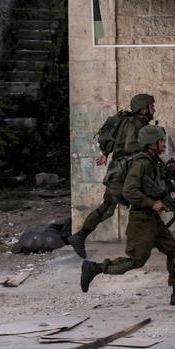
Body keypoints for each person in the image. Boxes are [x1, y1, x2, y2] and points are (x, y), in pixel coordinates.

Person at [78, 125, 175, 305]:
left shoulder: (154, 161)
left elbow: (158, 185)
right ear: (151, 143)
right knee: (136, 261)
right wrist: (153, 204)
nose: (162, 143)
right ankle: (95, 268)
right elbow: (130, 191)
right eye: (160, 140)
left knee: (172, 250)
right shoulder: (141, 162)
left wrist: (173, 174)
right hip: (141, 220)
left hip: (152, 219)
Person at [70, 93, 155, 258]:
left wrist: (106, 152)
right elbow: (130, 146)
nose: (153, 109)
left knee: (138, 204)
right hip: (121, 173)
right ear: (143, 109)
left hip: (123, 171)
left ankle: (144, 242)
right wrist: (148, 149)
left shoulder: (132, 121)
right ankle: (79, 237)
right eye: (151, 106)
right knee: (108, 208)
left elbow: (118, 139)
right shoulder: (135, 123)